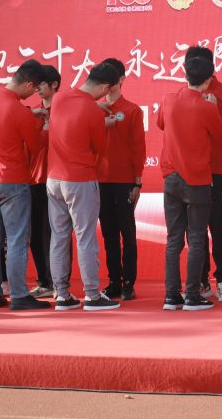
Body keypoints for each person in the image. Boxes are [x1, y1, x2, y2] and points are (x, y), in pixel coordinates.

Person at [47, 63, 121, 312]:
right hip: (79, 178)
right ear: (106, 87)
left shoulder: (59, 98)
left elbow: (74, 111)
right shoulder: (92, 111)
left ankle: (61, 294)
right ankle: (92, 294)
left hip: (54, 178)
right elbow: (98, 146)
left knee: (59, 237)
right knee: (85, 237)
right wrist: (102, 119)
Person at [157, 56, 222, 312]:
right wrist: (213, 107)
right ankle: (192, 295)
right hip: (196, 178)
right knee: (197, 237)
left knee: (174, 239)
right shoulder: (207, 107)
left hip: (171, 176)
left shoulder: (168, 99)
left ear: (185, 74)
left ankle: (171, 295)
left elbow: (160, 123)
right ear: (208, 80)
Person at [0, 59, 50, 310]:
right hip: (12, 182)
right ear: (28, 84)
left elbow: (5, 120)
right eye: (34, 89)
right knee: (17, 239)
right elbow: (36, 145)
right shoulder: (19, 111)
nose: (34, 93)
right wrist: (45, 126)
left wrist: (31, 115)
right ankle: (19, 295)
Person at [185, 46, 222, 304]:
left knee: (220, 227)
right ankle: (201, 281)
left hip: (220, 171)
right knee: (194, 229)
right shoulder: (182, 95)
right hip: (192, 173)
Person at [97, 58, 146, 301]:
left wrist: (137, 182)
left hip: (125, 180)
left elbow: (138, 147)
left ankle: (129, 283)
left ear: (122, 80)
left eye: (112, 79)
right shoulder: (94, 110)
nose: (108, 85)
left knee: (127, 232)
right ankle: (114, 281)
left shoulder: (132, 110)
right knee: (108, 234)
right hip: (100, 180)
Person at [27, 65, 60, 299]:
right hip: (32, 179)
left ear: (54, 85)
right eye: (36, 83)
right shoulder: (33, 113)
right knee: (36, 234)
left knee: (56, 233)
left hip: (56, 179)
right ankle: (44, 281)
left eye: (42, 83)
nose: (37, 87)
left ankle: (59, 283)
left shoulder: (63, 111)